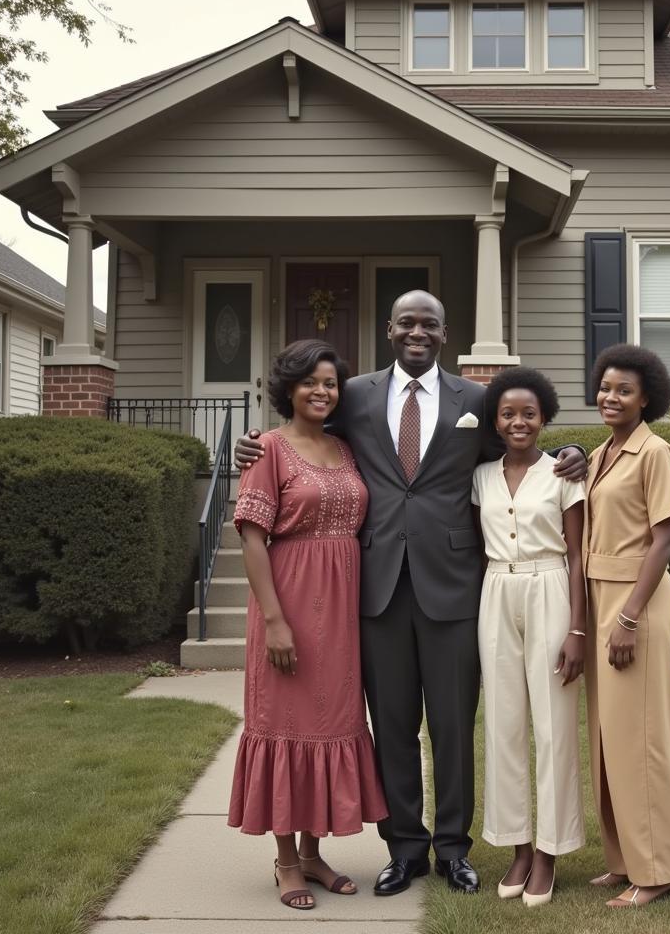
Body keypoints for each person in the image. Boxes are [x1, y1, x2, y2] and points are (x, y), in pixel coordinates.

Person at [235, 291, 587, 897]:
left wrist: (571, 454)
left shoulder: (477, 401)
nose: (417, 332)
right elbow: (303, 431)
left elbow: (518, 448)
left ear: (444, 334)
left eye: (429, 324)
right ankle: (404, 848)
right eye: (407, 322)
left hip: (453, 588)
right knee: (392, 725)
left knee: (453, 726)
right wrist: (252, 444)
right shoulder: (356, 396)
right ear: (389, 329)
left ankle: (453, 849)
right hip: (372, 591)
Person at [229, 339, 387, 911]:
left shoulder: (346, 449)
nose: (322, 392)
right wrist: (274, 621)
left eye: (330, 383)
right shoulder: (267, 450)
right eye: (310, 383)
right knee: (287, 724)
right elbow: (251, 536)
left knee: (331, 723)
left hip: (341, 614)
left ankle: (316, 853)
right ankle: (286, 861)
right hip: (289, 601)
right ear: (288, 390)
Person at [472, 367, 586, 907]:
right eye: (509, 414)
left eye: (529, 413)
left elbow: (579, 555)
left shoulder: (566, 473)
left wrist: (578, 628)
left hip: (551, 590)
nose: (519, 422)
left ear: (544, 418)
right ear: (495, 421)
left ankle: (550, 851)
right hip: (497, 592)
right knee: (504, 724)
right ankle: (518, 847)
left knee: (555, 725)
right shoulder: (481, 477)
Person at [582, 343, 670, 909]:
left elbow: (663, 538)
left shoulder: (655, 452)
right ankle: (625, 858)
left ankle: (660, 869)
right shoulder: (604, 453)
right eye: (605, 386)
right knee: (608, 738)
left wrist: (627, 617)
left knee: (642, 737)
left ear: (647, 396)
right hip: (601, 596)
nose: (611, 396)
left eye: (624, 389)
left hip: (635, 602)